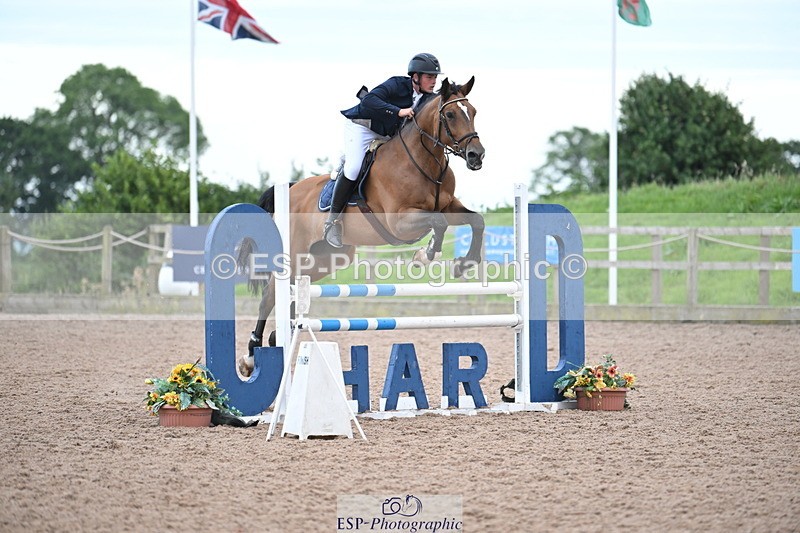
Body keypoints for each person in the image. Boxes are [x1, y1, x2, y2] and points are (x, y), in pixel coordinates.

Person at [322, 53, 443, 248]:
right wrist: (398, 111)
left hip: (387, 134)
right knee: (353, 168)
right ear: (415, 77)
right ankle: (332, 222)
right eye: (429, 77)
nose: (433, 81)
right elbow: (369, 101)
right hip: (363, 127)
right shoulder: (397, 84)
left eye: (435, 77)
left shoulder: (430, 98)